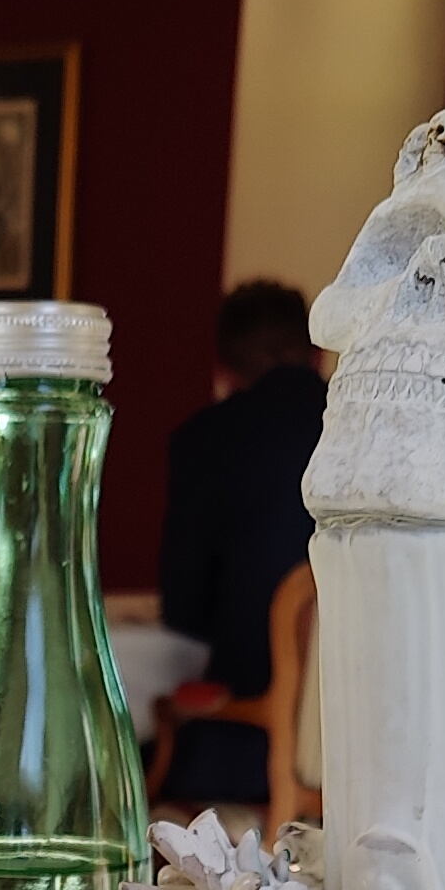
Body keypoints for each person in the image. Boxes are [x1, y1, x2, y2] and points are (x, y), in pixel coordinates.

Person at [153, 281, 328, 814]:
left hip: (243, 747)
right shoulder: (371, 429)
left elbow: (182, 611)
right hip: (366, 747)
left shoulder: (202, 442)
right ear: (319, 354)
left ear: (224, 372)